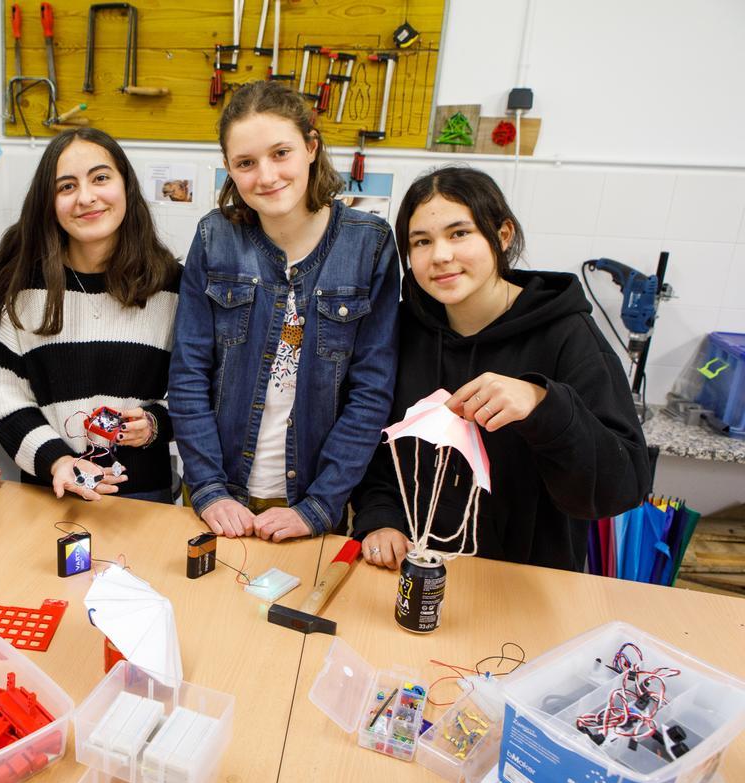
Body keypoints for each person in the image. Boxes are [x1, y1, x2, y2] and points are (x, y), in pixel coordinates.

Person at [350, 166, 651, 571]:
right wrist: (379, 518)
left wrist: (544, 404)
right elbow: (373, 446)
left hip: (523, 582)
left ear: (502, 235)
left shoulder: (566, 334)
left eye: (460, 234)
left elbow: (621, 487)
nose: (441, 255)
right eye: (421, 241)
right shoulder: (400, 329)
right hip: (412, 569)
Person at [169, 81, 400, 541]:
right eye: (246, 163)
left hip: (314, 503)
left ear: (311, 148)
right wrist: (211, 490)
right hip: (214, 497)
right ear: (230, 170)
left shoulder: (369, 243)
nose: (267, 176)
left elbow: (372, 390)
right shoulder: (215, 238)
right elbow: (188, 372)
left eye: (281, 153)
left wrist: (320, 505)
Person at [0, 128, 180, 503]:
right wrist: (58, 462)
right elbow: (10, 404)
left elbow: (195, 396)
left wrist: (154, 424)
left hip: (145, 500)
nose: (86, 198)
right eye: (66, 187)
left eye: (101, 178)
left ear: (126, 187)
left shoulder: (172, 288)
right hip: (50, 496)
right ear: (48, 202)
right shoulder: (21, 292)